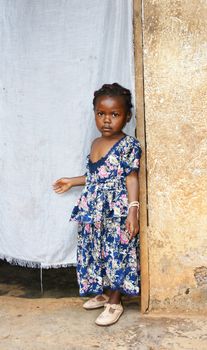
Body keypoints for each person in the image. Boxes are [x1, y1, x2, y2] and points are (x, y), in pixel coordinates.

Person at [52, 83, 142, 326]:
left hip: (117, 210)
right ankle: (103, 292)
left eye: (115, 114)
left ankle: (115, 300)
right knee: (97, 252)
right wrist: (72, 181)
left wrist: (133, 211)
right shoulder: (94, 143)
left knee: (117, 253)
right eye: (101, 113)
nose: (106, 120)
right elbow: (97, 176)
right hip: (93, 209)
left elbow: (131, 177)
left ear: (127, 116)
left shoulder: (128, 145)